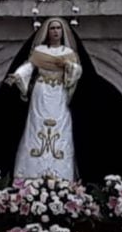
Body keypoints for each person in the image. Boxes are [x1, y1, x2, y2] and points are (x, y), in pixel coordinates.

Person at [5, 18, 82, 180]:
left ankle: (62, 175)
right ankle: (30, 174)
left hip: (60, 93)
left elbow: (77, 71)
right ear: (47, 31)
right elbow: (29, 66)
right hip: (41, 91)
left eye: (58, 28)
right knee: (36, 126)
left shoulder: (68, 53)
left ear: (63, 31)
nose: (55, 31)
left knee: (61, 128)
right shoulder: (39, 51)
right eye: (52, 28)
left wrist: (70, 67)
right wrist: (18, 75)